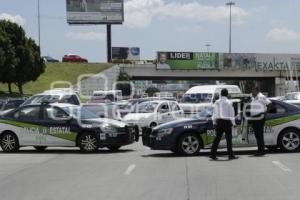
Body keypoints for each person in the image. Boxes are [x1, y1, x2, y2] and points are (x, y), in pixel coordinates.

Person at [210, 88, 238, 160]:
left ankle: (213, 154)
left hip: (219, 122)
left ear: (221, 94)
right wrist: (233, 123)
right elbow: (231, 114)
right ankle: (230, 155)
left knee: (217, 139)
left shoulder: (217, 102)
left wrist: (214, 122)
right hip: (227, 122)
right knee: (229, 139)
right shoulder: (229, 102)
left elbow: (214, 113)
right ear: (227, 94)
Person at [248, 86, 271, 156]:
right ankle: (260, 150)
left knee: (259, 135)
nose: (252, 92)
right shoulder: (253, 97)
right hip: (254, 118)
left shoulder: (261, 96)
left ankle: (262, 151)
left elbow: (270, 104)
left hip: (259, 117)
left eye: (253, 90)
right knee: (257, 135)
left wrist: (265, 113)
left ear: (257, 91)